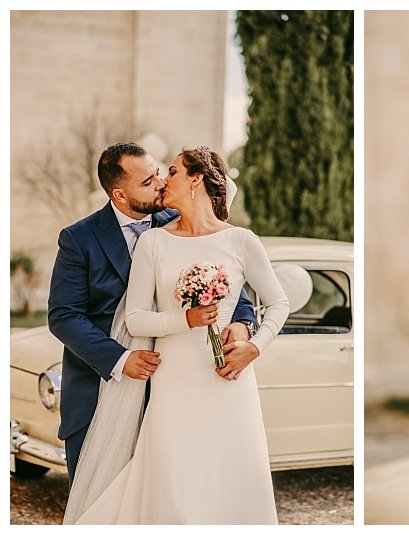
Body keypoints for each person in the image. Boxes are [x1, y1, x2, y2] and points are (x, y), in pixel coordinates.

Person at [67, 146, 289, 524]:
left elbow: (277, 302)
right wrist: (184, 320)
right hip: (171, 380)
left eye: (169, 172)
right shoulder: (154, 242)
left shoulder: (242, 240)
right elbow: (134, 318)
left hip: (227, 379)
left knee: (231, 475)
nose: (162, 182)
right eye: (152, 177)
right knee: (173, 479)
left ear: (196, 178)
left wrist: (254, 344)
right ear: (120, 193)